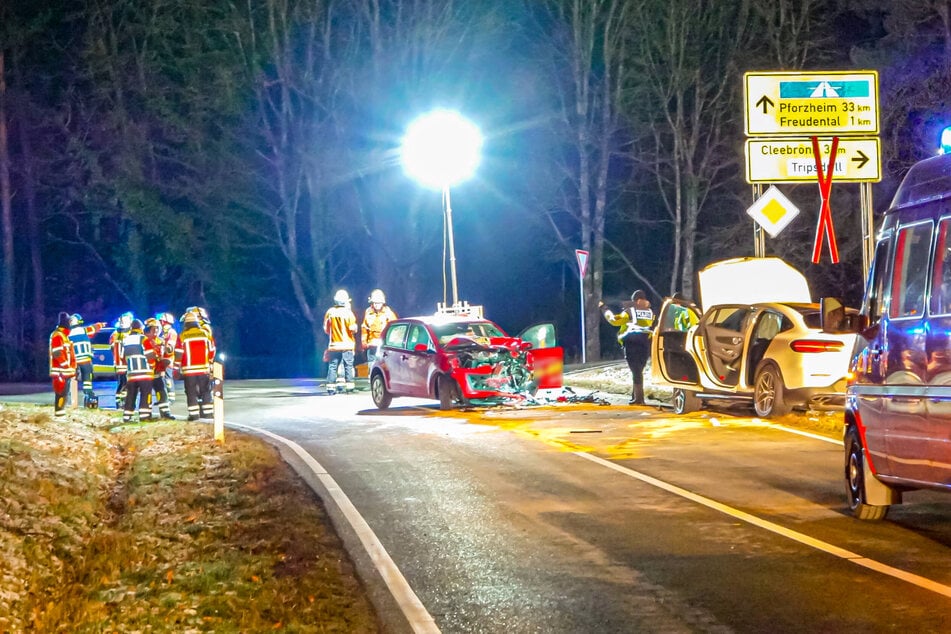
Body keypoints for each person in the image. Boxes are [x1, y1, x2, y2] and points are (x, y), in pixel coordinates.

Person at [601, 290, 655, 405]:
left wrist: (604, 309)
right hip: (645, 343)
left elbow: (614, 320)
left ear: (635, 301)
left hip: (632, 343)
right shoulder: (650, 312)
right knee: (638, 370)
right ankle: (635, 395)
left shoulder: (630, 311)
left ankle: (639, 399)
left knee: (635, 370)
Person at [176, 311, 216, 421]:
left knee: (191, 392)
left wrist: (176, 367)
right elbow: (212, 350)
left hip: (189, 371)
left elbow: (178, 354)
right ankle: (208, 414)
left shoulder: (182, 336)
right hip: (204, 369)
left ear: (186, 324)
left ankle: (194, 415)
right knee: (206, 391)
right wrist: (209, 361)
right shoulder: (205, 334)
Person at [118, 319, 156, 423]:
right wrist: (152, 366)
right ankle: (144, 416)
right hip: (145, 373)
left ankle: (127, 416)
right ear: (141, 328)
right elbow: (150, 355)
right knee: (145, 394)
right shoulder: (143, 339)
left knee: (131, 395)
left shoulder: (125, 340)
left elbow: (122, 357)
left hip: (131, 375)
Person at [68, 313, 107, 407]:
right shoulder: (84, 330)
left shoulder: (67, 334)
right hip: (85, 359)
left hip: (74, 360)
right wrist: (101, 324)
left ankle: (72, 396)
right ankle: (88, 393)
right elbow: (94, 328)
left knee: (73, 378)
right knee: (87, 377)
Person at [324, 289, 358, 394]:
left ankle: (330, 387)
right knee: (348, 365)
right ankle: (349, 387)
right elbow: (353, 329)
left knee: (333, 366)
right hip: (347, 344)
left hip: (334, 345)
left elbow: (326, 328)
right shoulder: (348, 313)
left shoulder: (330, 312)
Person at [145, 317, 175, 419]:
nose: (156, 331)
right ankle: (146, 415)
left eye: (158, 328)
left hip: (157, 373)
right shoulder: (145, 340)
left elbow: (166, 354)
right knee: (146, 395)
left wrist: (164, 362)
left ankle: (165, 413)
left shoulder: (161, 340)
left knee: (162, 393)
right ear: (148, 330)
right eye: (154, 329)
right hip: (147, 374)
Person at [48, 312, 77, 418]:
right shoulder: (58, 335)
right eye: (69, 321)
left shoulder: (64, 335)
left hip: (65, 371)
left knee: (64, 393)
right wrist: (66, 366)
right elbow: (57, 353)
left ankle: (61, 412)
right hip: (60, 371)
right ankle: (59, 412)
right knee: (61, 392)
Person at [361, 289, 398, 366]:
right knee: (371, 366)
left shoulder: (389, 313)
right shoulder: (368, 312)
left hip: (384, 346)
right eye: (375, 303)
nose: (376, 305)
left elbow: (395, 330)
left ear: (382, 303)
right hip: (372, 345)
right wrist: (364, 342)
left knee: (384, 366)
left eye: (378, 303)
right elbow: (364, 328)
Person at [111, 312, 134, 409]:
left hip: (126, 363)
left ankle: (124, 402)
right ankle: (121, 403)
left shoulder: (116, 334)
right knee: (123, 383)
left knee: (126, 384)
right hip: (123, 364)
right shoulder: (117, 334)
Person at [157, 312, 178, 402]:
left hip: (168, 359)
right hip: (161, 359)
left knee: (167, 378)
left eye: (162, 321)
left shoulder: (171, 332)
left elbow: (170, 349)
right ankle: (163, 399)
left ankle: (171, 398)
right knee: (161, 379)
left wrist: (162, 343)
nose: (161, 323)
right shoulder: (162, 333)